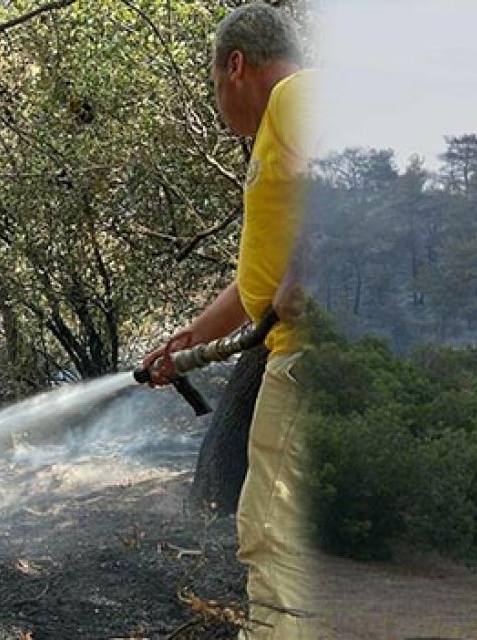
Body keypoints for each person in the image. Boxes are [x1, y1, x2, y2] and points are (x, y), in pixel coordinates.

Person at [140, 3, 313, 638]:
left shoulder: (298, 95)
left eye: (214, 84)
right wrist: (189, 338)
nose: (219, 104)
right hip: (299, 346)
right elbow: (254, 286)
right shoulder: (281, 128)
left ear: (235, 65)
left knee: (270, 532)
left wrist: (307, 273)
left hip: (309, 354)